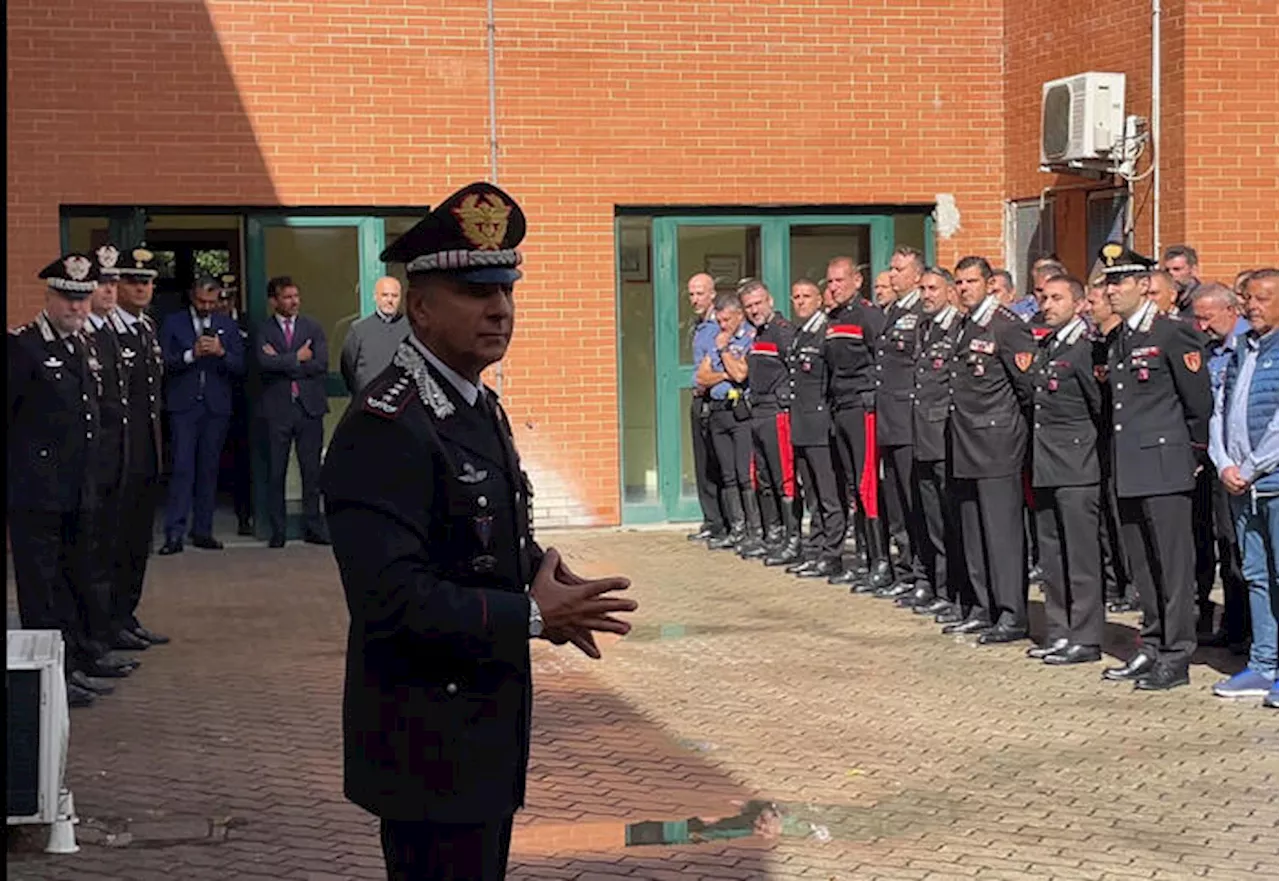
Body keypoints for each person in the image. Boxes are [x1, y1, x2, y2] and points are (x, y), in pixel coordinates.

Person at [321, 181, 637, 880]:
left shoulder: (475, 404)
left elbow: (481, 536)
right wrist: (528, 613)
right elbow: (391, 598)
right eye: (475, 292)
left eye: (506, 291)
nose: (499, 308)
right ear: (421, 307)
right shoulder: (387, 426)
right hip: (425, 738)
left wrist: (541, 574)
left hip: (482, 730)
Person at [1096, 242, 1211, 691]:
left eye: (1120, 281)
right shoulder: (1120, 336)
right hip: (1129, 464)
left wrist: (1192, 456)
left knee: (1173, 566)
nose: (1111, 290)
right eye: (1108, 282)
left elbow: (1198, 403)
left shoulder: (1172, 332)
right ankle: (1153, 642)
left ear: (1145, 286)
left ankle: (1178, 654)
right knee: (1143, 565)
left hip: (1165, 463)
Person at [8, 253, 112, 707]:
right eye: (68, 299)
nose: (77, 308)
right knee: (41, 589)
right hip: (36, 492)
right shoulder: (22, 347)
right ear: (49, 296)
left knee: (71, 582)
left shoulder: (81, 345)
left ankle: (68, 668)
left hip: (76, 489)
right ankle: (45, 680)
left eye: (83, 298)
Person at [945, 255, 1036, 642]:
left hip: (997, 444)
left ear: (988, 284)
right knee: (973, 532)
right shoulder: (963, 325)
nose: (964, 288)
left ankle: (1012, 615)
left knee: (1001, 535)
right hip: (965, 442)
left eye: (971, 282)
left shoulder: (1006, 326)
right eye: (960, 282)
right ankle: (983, 608)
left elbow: (1027, 388)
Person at [1208, 268, 1280, 708]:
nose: (1253, 306)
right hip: (1242, 485)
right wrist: (1223, 463)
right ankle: (1264, 663)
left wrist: (1251, 467)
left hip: (1271, 481)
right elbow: (1221, 410)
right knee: (1255, 575)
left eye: (1264, 298)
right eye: (1248, 298)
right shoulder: (1239, 351)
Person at [1025, 275, 1105, 665]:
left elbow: (1099, 410)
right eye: (1044, 297)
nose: (1048, 304)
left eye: (1058, 298)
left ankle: (1087, 637)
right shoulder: (1048, 344)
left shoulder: (1085, 350)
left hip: (1077, 467)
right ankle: (1058, 630)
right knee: (1052, 556)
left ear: (1079, 305)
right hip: (1046, 464)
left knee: (1081, 558)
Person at [158, 277, 245, 554]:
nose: (206, 306)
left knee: (209, 470)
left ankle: (203, 531)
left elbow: (241, 365)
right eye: (201, 301)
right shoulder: (173, 322)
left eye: (212, 301)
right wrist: (190, 355)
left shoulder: (228, 326)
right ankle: (174, 533)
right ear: (192, 297)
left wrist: (221, 353)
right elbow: (162, 362)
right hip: (184, 405)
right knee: (182, 468)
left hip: (216, 407)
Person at [111, 245, 170, 649]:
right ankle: (110, 620)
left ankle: (127, 614)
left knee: (136, 543)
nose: (142, 288)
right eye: (133, 281)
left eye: (147, 282)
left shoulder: (146, 328)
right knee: (115, 545)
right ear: (117, 285)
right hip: (120, 456)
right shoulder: (107, 331)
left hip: (146, 452)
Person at [1191, 283, 1252, 648]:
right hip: (1219, 461)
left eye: (1207, 317)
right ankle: (1233, 623)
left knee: (1242, 548)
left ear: (1231, 310)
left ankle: (1250, 629)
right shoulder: (1210, 349)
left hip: (1249, 464)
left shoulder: (1249, 348)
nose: (1201, 325)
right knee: (1225, 543)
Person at [824, 256, 888, 588]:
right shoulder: (832, 320)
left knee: (867, 485)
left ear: (857, 281)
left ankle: (880, 561)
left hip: (863, 407)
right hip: (840, 407)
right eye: (830, 282)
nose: (833, 287)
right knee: (851, 485)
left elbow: (882, 359)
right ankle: (863, 558)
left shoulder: (869, 315)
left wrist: (872, 398)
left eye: (839, 280)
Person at [255, 276, 330, 548]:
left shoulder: (313, 327)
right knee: (276, 471)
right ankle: (278, 530)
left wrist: (282, 362)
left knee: (311, 472)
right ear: (274, 301)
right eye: (287, 297)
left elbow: (321, 364)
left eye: (296, 296)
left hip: (309, 409)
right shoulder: (263, 329)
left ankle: (313, 526)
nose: (294, 301)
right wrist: (296, 358)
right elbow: (263, 363)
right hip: (277, 411)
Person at [778, 279, 846, 577]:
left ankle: (832, 554)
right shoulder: (799, 334)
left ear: (820, 299)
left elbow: (833, 378)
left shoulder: (825, 332)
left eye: (807, 296)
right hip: (801, 422)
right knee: (813, 493)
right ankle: (816, 548)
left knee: (829, 493)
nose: (801, 302)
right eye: (796, 297)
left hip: (820, 422)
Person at [871, 246, 928, 597]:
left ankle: (922, 575)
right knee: (896, 503)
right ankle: (905, 571)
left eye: (899, 269)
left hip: (908, 421)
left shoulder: (921, 314)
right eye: (891, 268)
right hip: (889, 422)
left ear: (917, 276)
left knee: (913, 502)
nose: (892, 275)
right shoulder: (890, 313)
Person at [910, 268, 965, 618]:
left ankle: (958, 594)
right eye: (923, 289)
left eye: (933, 289)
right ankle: (942, 590)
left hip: (945, 436)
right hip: (922, 437)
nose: (926, 295)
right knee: (932, 521)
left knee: (952, 520)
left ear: (949, 291)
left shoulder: (957, 328)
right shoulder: (923, 327)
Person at [696, 292, 758, 552]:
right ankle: (737, 528)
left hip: (739, 412)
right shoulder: (718, 337)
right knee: (728, 475)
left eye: (726, 320)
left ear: (738, 315)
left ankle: (754, 530)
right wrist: (723, 373)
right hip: (718, 411)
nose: (722, 326)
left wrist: (723, 353)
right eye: (719, 321)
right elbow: (702, 377)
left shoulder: (748, 337)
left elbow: (741, 373)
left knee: (745, 475)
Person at [739, 280, 796, 559]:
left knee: (782, 476)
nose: (754, 309)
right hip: (757, 411)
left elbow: (795, 369)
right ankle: (772, 534)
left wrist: (785, 398)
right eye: (748, 306)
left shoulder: (783, 332)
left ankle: (791, 537)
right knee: (762, 475)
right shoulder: (756, 335)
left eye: (758, 303)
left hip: (777, 412)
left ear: (770, 300)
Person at [686, 273, 728, 542]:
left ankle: (721, 522)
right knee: (702, 464)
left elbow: (710, 366)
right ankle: (711, 520)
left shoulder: (717, 325)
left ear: (712, 294)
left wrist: (703, 382)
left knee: (715, 463)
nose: (695, 299)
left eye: (700, 293)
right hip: (699, 398)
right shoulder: (698, 324)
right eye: (691, 294)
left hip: (712, 398)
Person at [215, 274, 255, 536]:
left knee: (243, 460)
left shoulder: (247, 322)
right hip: (215, 396)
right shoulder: (207, 323)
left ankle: (245, 515)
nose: (224, 301)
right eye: (221, 296)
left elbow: (251, 361)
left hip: (243, 400)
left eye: (229, 296)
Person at [341, 276, 409, 396]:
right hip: (367, 401)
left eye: (394, 296)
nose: (390, 300)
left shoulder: (411, 328)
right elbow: (347, 367)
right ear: (375, 297)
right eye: (385, 295)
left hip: (402, 402)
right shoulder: (358, 329)